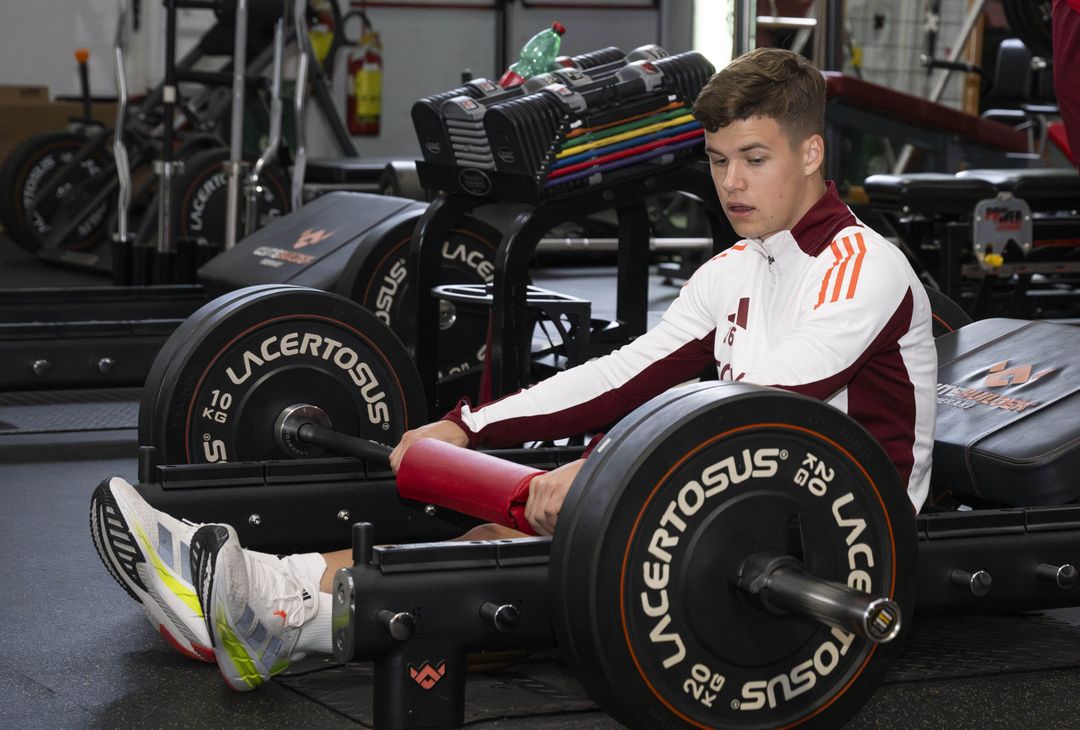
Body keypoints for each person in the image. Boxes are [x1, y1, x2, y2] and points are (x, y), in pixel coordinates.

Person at [91, 47, 937, 692]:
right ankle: (268, 598)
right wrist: (468, 425)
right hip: (748, 492)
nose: (732, 183)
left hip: (845, 528)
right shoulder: (735, 269)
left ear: (812, 153)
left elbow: (757, 404)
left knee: (555, 533)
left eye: (755, 158)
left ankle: (270, 603)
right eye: (718, 161)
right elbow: (625, 374)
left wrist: (600, 472)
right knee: (515, 531)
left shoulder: (866, 266)